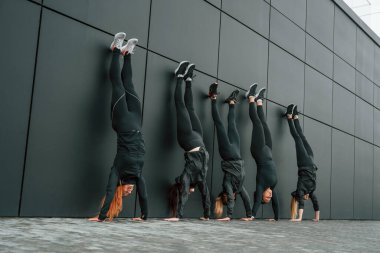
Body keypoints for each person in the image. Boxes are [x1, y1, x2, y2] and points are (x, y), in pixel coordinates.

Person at [88, 32, 148, 222]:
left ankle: (115, 50)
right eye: (131, 191)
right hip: (137, 122)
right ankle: (127, 54)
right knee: (129, 85)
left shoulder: (118, 171)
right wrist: (144, 216)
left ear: (121, 187)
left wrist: (101, 217)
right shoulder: (138, 175)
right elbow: (144, 196)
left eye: (126, 192)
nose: (130, 191)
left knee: (118, 86)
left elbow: (109, 189)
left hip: (121, 122)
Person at [164, 61, 211, 222]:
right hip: (200, 139)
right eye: (190, 192)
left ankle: (179, 76)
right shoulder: (201, 180)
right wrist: (206, 215)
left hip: (187, 141)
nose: (190, 192)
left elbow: (184, 194)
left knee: (181, 108)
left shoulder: (187, 177)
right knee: (190, 109)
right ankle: (188, 80)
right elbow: (206, 195)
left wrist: (178, 217)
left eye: (187, 191)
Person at [208, 83, 252, 221]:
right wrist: (249, 216)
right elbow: (246, 199)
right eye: (230, 198)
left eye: (227, 197)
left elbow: (230, 199)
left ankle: (213, 97)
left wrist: (229, 216)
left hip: (227, 153)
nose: (230, 196)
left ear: (225, 195)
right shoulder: (240, 189)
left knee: (220, 125)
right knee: (232, 125)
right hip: (237, 153)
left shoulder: (226, 183)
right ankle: (231, 102)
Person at [246, 83, 279, 221]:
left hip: (258, 151)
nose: (270, 196)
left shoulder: (260, 184)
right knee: (264, 124)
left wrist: (252, 216)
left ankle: (251, 98)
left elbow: (257, 201)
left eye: (267, 197)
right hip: (269, 151)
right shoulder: (273, 185)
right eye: (269, 197)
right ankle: (259, 101)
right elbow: (276, 204)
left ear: (261, 195)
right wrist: (276, 218)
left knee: (258, 124)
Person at [284, 104, 320, 222]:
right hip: (310, 161)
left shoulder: (300, 190)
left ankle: (291, 116)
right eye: (305, 198)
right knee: (302, 138)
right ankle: (294, 117)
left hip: (306, 162)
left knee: (298, 139)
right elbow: (316, 203)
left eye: (303, 198)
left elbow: (301, 203)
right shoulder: (311, 192)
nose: (305, 198)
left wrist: (299, 218)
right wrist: (316, 217)